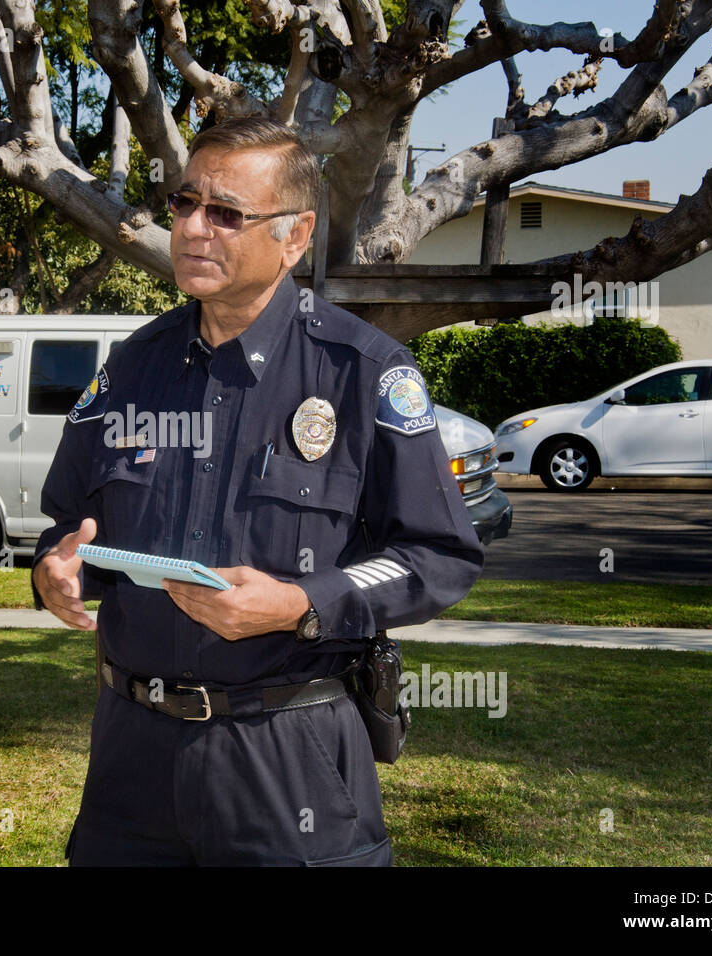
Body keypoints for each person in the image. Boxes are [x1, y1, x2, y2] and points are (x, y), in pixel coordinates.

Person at [32, 117, 483, 866]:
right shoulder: (131, 370)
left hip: (288, 756)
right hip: (131, 759)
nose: (193, 228)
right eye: (185, 204)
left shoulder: (364, 372)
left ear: (295, 236)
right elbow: (69, 524)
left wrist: (303, 603)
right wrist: (57, 569)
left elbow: (438, 557)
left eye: (226, 213)